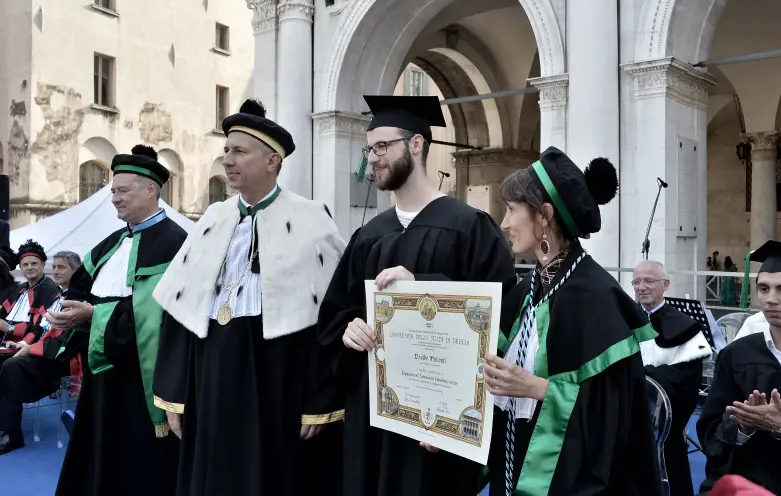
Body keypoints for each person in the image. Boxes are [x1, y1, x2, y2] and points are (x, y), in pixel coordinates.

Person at [317, 95, 518, 496]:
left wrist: (426, 287)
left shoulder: (469, 228)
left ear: (416, 144)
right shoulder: (368, 236)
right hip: (373, 417)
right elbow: (336, 316)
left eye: (382, 146)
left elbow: (501, 318)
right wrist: (349, 331)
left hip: (436, 428)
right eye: (369, 148)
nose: (372, 158)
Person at [151, 99, 347, 496]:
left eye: (239, 151)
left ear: (272, 160)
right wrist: (173, 393)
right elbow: (180, 311)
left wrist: (320, 399)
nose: (228, 159)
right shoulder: (212, 219)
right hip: (211, 376)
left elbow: (331, 318)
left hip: (278, 378)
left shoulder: (312, 219)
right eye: (226, 150)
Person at [483, 147, 662, 495]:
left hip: (574, 480)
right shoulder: (526, 292)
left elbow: (614, 418)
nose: (503, 223)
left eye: (511, 210)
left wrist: (533, 387)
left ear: (544, 214)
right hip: (516, 463)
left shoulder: (597, 299)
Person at [49, 145, 187, 496]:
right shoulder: (110, 243)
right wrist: (70, 315)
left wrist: (94, 316)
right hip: (104, 372)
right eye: (113, 191)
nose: (114, 199)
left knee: (139, 466)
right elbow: (79, 291)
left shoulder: (176, 243)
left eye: (122, 190)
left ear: (151, 190)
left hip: (142, 377)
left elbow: (161, 315)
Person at [698, 240, 781, 495]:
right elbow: (710, 432)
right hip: (745, 485)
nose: (771, 299)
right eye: (763, 288)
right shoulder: (737, 355)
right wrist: (742, 427)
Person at [633, 259, 711, 496]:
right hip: (626, 425)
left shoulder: (684, 326)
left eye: (649, 281)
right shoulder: (624, 320)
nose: (641, 287)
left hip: (665, 431)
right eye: (636, 281)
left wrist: (639, 376)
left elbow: (685, 380)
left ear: (665, 284)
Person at [0, 250, 81, 455]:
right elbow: (38, 328)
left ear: (76, 270)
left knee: (11, 366)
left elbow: (67, 342)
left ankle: (13, 434)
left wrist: (29, 347)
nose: (55, 271)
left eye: (61, 267)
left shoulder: (80, 299)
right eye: (54, 267)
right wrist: (23, 345)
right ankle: (6, 421)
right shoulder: (58, 295)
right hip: (41, 351)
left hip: (59, 361)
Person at [0, 239, 61, 363]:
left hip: (27, 348)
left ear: (43, 265)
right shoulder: (19, 288)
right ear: (21, 268)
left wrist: (11, 329)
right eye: (25, 265)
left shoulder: (50, 289)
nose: (29, 268)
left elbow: (41, 327)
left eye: (34, 263)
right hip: (6, 344)